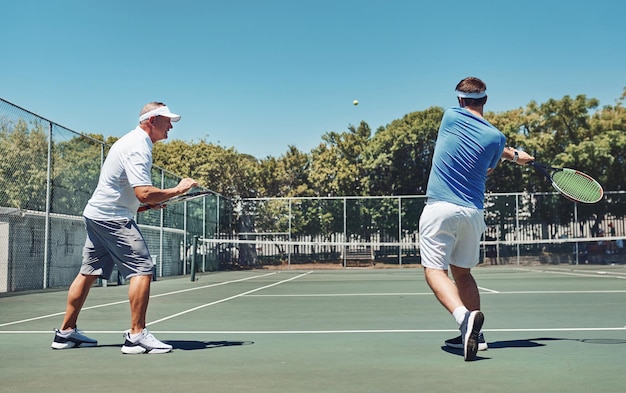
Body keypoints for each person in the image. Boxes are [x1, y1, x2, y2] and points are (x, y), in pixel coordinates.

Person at [51, 102, 198, 354]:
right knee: (142, 268)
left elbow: (124, 192)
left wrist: (144, 207)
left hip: (97, 215)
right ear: (151, 120)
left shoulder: (129, 142)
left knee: (88, 272)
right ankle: (137, 336)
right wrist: (177, 189)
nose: (171, 126)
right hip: (112, 218)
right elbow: (144, 193)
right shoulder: (138, 147)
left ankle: (65, 333)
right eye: (167, 120)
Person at [418, 77, 534, 361]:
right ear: (486, 100)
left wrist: (511, 155)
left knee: (434, 271)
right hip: (472, 213)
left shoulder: (450, 117)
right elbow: (490, 166)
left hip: (441, 208)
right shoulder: (496, 138)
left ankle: (464, 319)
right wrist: (514, 155)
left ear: (459, 100)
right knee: (464, 273)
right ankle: (476, 337)